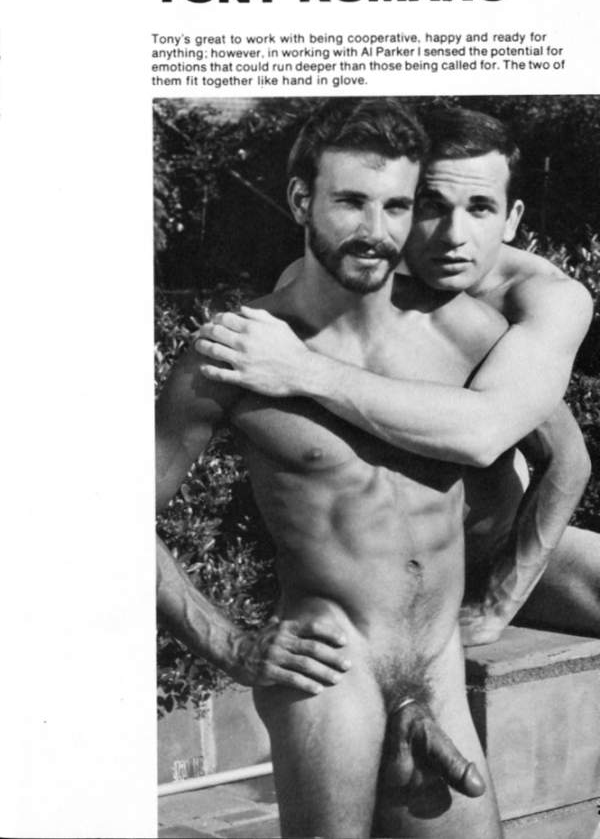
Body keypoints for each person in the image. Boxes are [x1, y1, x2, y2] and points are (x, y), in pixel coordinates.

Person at [157, 98, 507, 837]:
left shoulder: (468, 333)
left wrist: (501, 590)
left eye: (397, 206)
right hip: (329, 668)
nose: (376, 230)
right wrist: (229, 642)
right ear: (300, 199)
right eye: (351, 201)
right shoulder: (234, 353)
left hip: (438, 665)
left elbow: (556, 454)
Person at [197, 105, 596, 645]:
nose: (454, 236)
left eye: (480, 207)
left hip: (495, 547)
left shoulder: (542, 298)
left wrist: (498, 603)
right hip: (368, 572)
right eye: (430, 205)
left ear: (512, 217)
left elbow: (527, 447)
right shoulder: (336, 275)